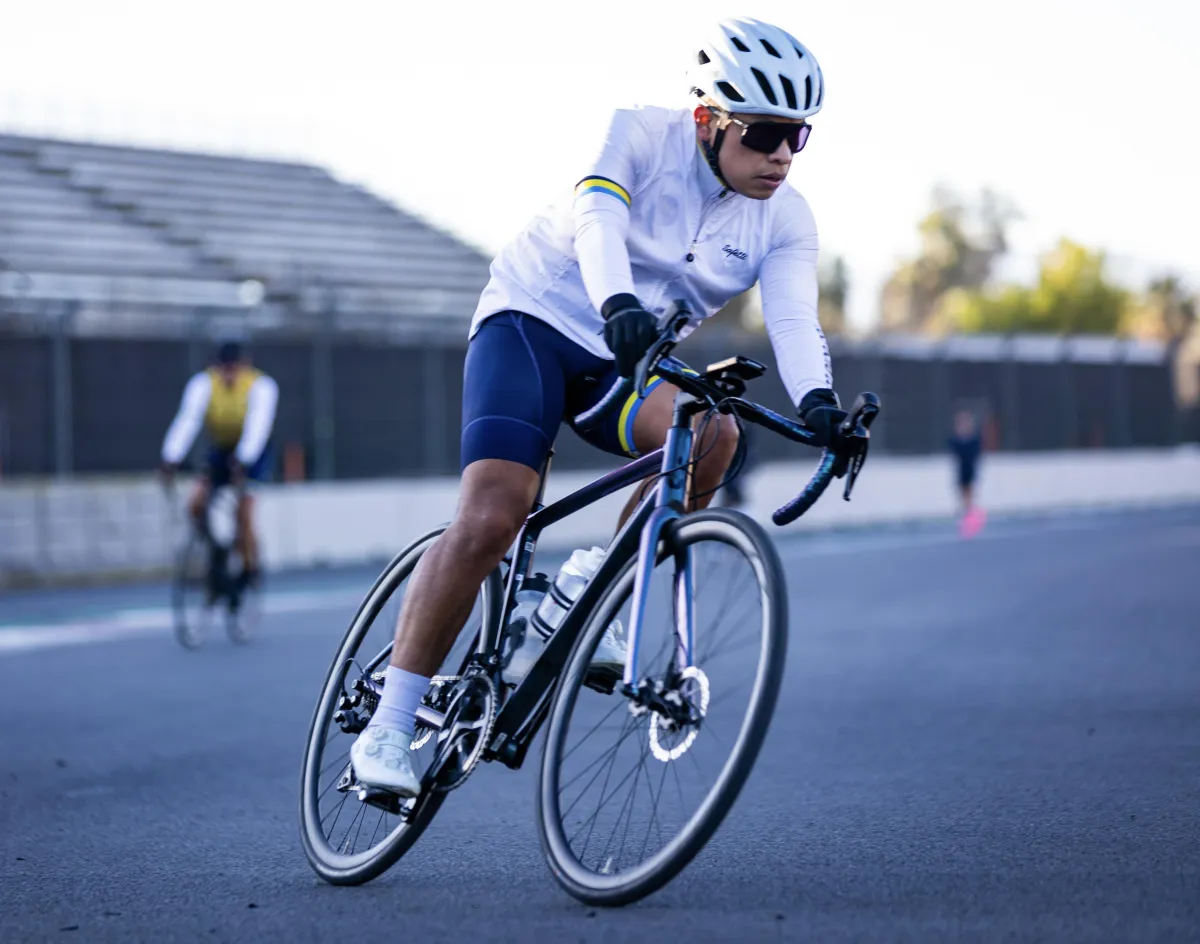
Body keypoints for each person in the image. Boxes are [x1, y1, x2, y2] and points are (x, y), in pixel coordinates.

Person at [350, 17, 846, 797]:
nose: (781, 156)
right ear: (707, 119)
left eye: (799, 137)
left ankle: (586, 584)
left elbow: (792, 317)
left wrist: (821, 403)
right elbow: (597, 215)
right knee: (493, 515)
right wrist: (616, 300)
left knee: (712, 434)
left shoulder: (786, 217)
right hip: (534, 323)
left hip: (628, 357)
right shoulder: (640, 135)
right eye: (765, 133)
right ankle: (388, 723)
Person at [159, 338, 279, 588]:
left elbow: (258, 427)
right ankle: (218, 550)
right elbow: (188, 421)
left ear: (246, 366)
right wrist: (171, 457)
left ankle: (249, 569)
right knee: (195, 503)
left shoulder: (262, 386)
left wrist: (244, 460)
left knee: (243, 511)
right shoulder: (203, 384)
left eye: (235, 368)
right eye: (224, 368)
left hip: (254, 453)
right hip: (222, 449)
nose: (229, 374)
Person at [948, 408, 986, 538]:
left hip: (969, 470)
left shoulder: (974, 440)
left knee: (968, 497)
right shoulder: (957, 440)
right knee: (963, 498)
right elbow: (954, 450)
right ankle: (969, 521)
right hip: (961, 471)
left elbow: (973, 454)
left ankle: (972, 521)